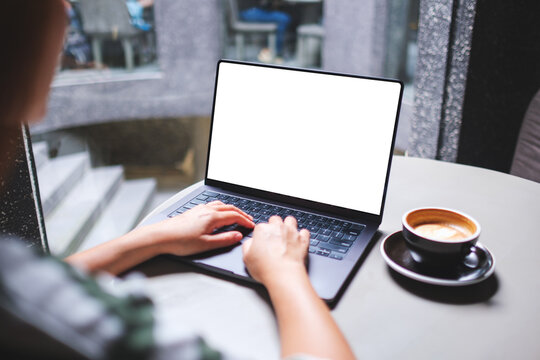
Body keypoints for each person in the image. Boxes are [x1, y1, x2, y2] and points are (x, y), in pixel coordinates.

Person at [0, 1, 355, 359]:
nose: (65, 7)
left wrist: (154, 236)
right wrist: (284, 271)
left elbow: (46, 282)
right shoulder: (91, 331)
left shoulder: (13, 277)